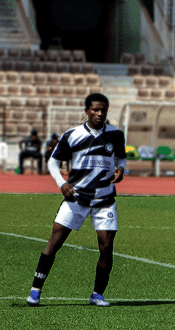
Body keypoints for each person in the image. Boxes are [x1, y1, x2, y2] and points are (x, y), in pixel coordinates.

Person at [25, 93, 126, 308]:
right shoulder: (72, 134)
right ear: (87, 111)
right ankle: (35, 291)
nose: (99, 113)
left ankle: (97, 294)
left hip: (104, 198)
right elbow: (53, 162)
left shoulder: (116, 135)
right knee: (54, 243)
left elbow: (121, 157)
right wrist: (61, 184)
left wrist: (121, 168)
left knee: (106, 247)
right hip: (76, 197)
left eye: (103, 110)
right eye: (95, 110)